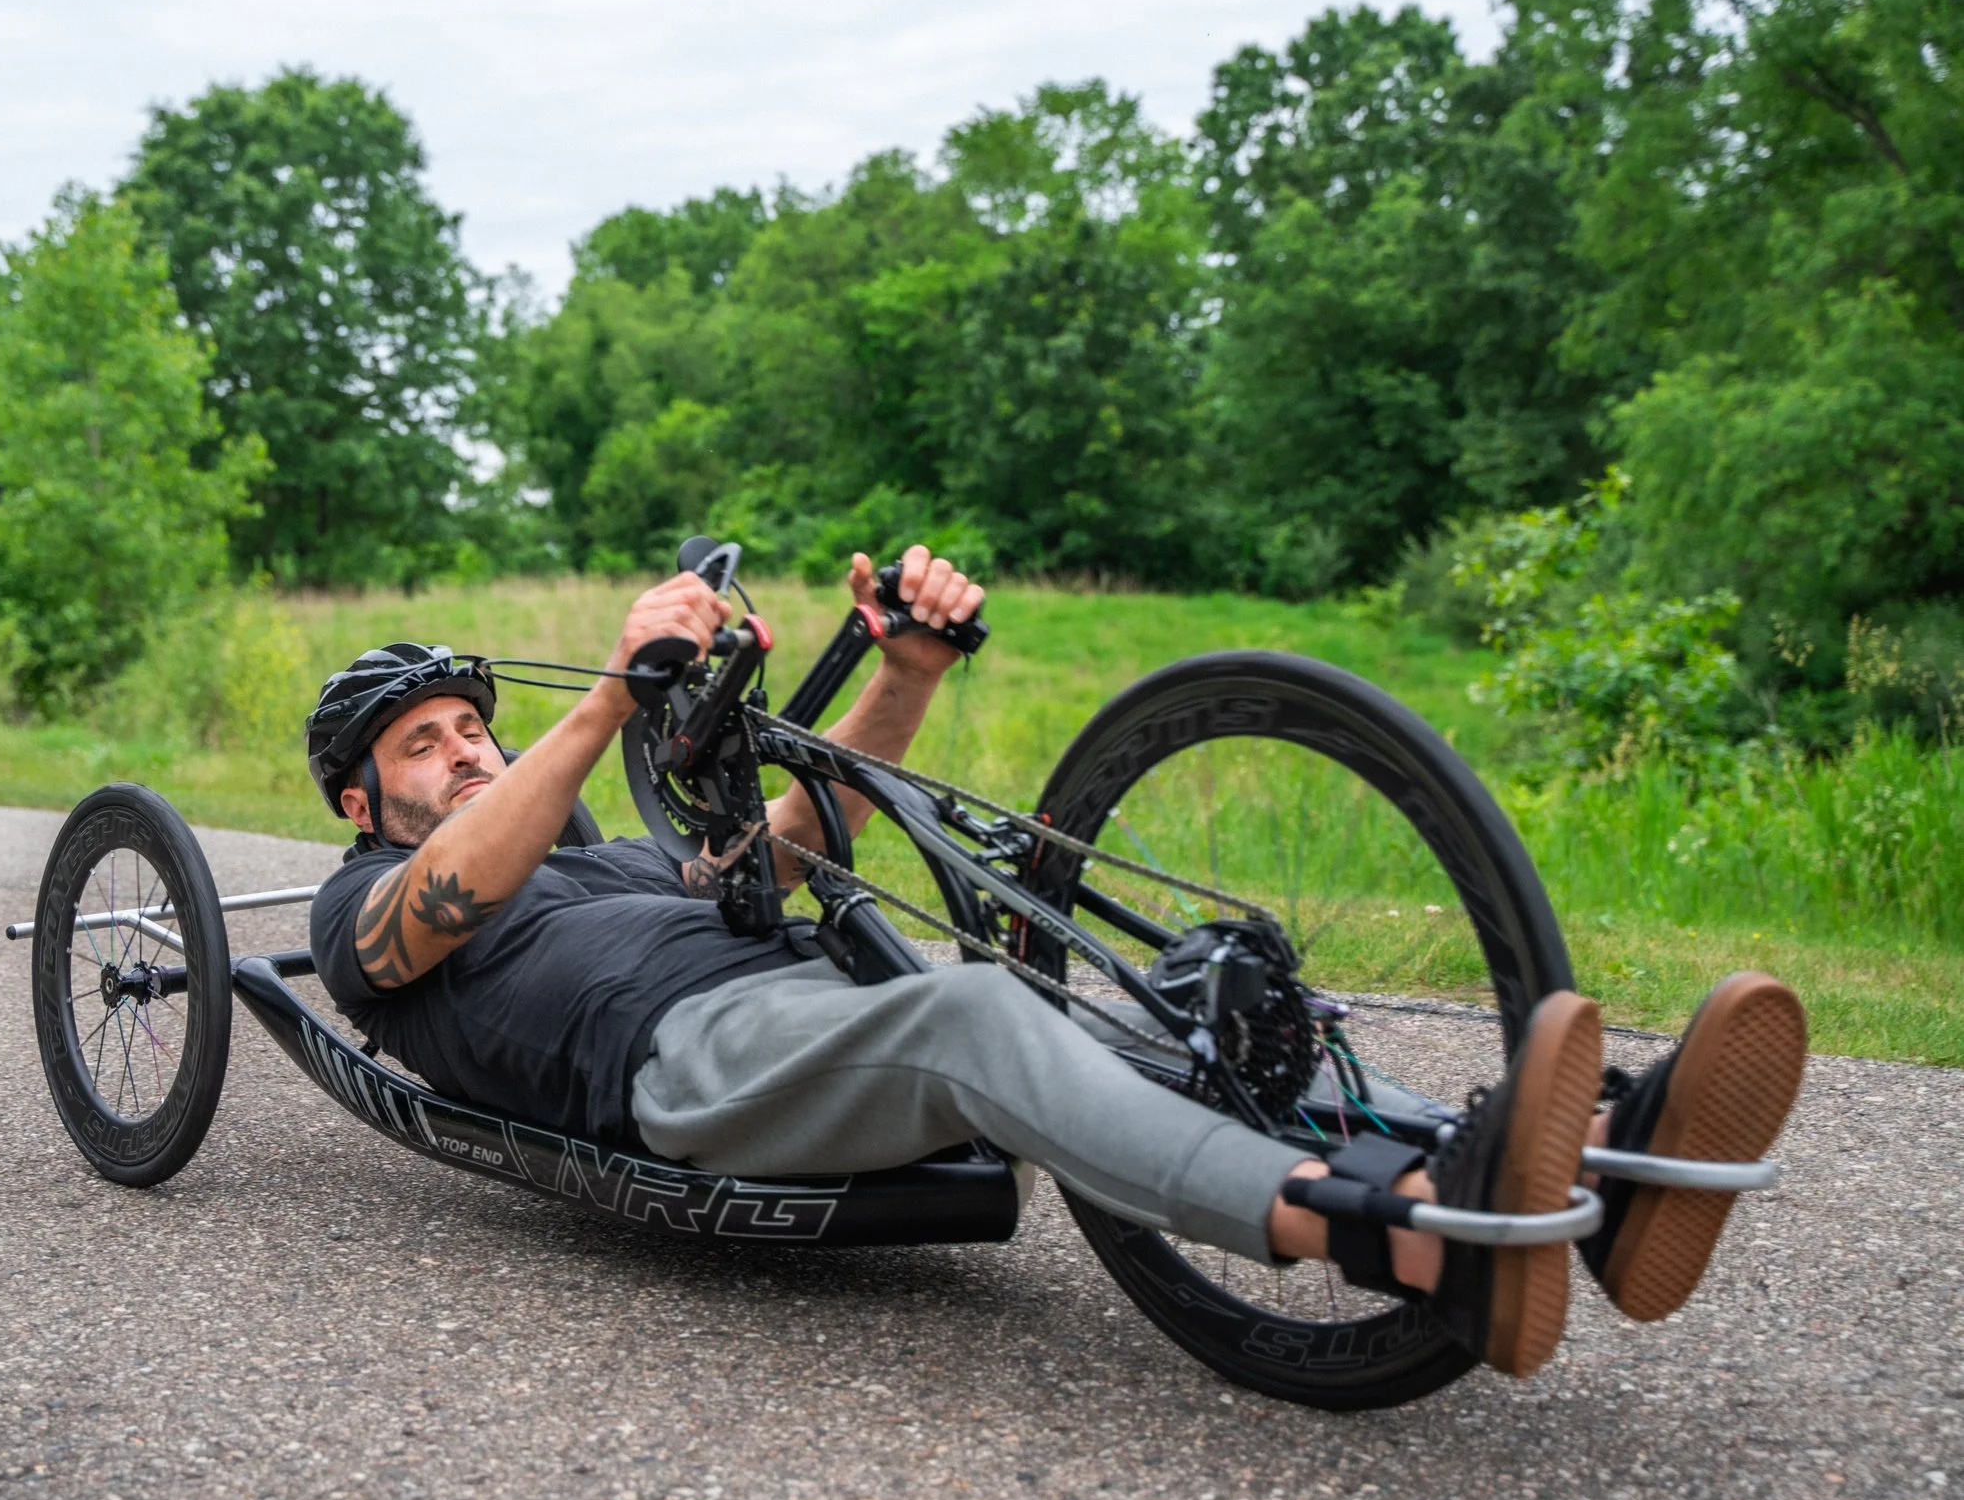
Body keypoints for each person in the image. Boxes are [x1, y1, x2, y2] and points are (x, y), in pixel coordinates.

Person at [304, 549, 1807, 1378]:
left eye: (475, 728)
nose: (467, 751)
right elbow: (444, 895)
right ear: (363, 801)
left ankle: (1586, 1157)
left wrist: (905, 671)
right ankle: (1404, 1239)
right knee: (971, 1012)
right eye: (424, 745)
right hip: (680, 1072)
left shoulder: (603, 858)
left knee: (1114, 1022)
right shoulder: (363, 906)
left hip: (810, 1019)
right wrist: (603, 705)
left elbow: (790, 849)